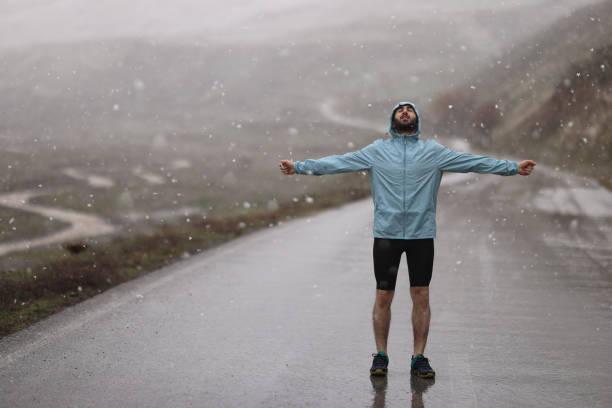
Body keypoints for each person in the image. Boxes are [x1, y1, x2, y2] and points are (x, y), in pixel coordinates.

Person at [279, 102, 535, 378]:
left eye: (409, 110)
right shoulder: (376, 151)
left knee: (421, 295)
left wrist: (512, 168)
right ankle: (381, 356)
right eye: (399, 109)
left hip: (421, 234)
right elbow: (337, 163)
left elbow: (474, 162)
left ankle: (419, 357)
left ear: (416, 119)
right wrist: (299, 167)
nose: (404, 112)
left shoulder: (433, 152)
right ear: (392, 119)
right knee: (383, 295)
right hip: (386, 234)